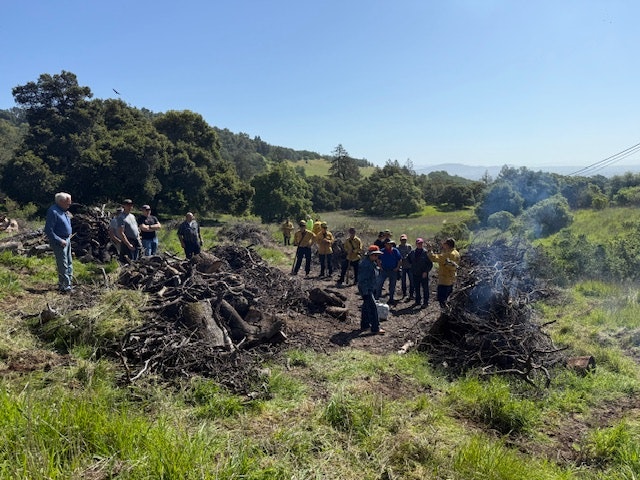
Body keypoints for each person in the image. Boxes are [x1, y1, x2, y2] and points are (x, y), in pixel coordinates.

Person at [44, 192, 73, 293]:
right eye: (68, 202)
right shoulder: (53, 211)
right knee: (63, 264)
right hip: (60, 241)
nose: (70, 204)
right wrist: (59, 240)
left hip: (67, 239)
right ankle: (64, 287)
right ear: (61, 201)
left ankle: (69, 283)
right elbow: (48, 230)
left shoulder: (64, 210)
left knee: (69, 262)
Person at [357, 245, 385, 335]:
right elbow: (362, 279)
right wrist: (366, 292)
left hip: (369, 288)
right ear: (370, 255)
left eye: (377, 255)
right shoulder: (366, 264)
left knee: (365, 307)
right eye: (375, 255)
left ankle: (365, 325)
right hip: (366, 289)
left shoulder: (372, 263)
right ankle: (375, 328)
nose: (377, 257)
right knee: (373, 308)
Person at [428, 237, 461, 308]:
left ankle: (444, 314)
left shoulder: (448, 254)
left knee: (442, 299)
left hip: (444, 280)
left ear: (448, 245)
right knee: (449, 298)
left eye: (445, 244)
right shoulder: (457, 253)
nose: (443, 245)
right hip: (452, 279)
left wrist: (430, 250)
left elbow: (434, 258)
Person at [407, 238, 433, 309]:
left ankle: (425, 302)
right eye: (418, 243)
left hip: (424, 274)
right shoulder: (412, 253)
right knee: (417, 288)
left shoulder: (426, 253)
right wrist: (412, 268)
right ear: (416, 244)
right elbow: (408, 260)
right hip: (415, 273)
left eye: (421, 243)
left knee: (425, 289)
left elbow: (430, 264)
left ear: (423, 244)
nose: (420, 245)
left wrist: (426, 271)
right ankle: (418, 301)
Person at [377, 239, 402, 304]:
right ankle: (377, 298)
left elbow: (399, 259)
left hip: (393, 270)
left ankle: (391, 299)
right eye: (388, 244)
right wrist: (380, 267)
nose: (389, 245)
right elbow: (378, 259)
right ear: (385, 244)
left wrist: (397, 267)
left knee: (392, 285)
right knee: (379, 284)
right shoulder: (382, 251)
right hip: (384, 270)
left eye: (390, 243)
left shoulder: (395, 251)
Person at [397, 233, 414, 300]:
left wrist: (408, 257)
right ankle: (404, 294)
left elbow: (412, 255)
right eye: (402, 240)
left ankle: (411, 294)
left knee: (411, 281)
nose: (403, 241)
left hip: (410, 266)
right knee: (403, 281)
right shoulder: (398, 248)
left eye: (404, 239)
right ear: (400, 240)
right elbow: (397, 256)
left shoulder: (409, 246)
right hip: (402, 267)